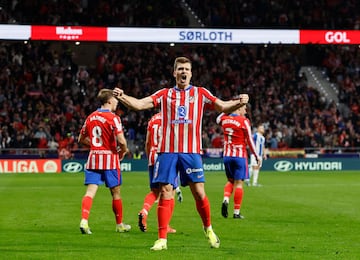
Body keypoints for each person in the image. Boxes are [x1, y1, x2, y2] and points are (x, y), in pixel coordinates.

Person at [113, 56, 249, 251]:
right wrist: (122, 96)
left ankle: (208, 229)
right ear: (174, 73)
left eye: (186, 69)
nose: (183, 72)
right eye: (180, 69)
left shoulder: (200, 93)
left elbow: (223, 106)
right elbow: (140, 104)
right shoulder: (165, 94)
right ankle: (162, 239)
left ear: (191, 73)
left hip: (191, 151)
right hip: (167, 152)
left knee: (199, 192)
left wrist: (239, 102)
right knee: (165, 191)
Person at [78, 88, 131, 235]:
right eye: (115, 100)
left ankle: (84, 221)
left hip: (94, 158)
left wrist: (96, 146)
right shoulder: (113, 118)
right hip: (110, 159)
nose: (117, 103)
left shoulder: (91, 117)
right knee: (116, 192)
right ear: (109, 101)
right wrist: (124, 150)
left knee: (90, 192)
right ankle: (119, 224)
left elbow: (80, 139)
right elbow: (121, 141)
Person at [138, 112, 183, 234]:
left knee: (155, 191)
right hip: (166, 155)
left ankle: (144, 211)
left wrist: (149, 158)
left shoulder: (152, 119)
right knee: (170, 191)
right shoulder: (174, 117)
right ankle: (165, 225)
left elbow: (147, 142)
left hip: (153, 155)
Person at [216, 103, 261, 219]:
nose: (245, 111)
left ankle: (226, 199)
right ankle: (236, 212)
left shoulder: (224, 119)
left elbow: (217, 119)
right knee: (239, 183)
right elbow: (250, 140)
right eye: (244, 108)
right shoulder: (244, 121)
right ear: (239, 108)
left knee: (230, 181)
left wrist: (231, 105)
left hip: (227, 156)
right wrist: (256, 156)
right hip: (240, 156)